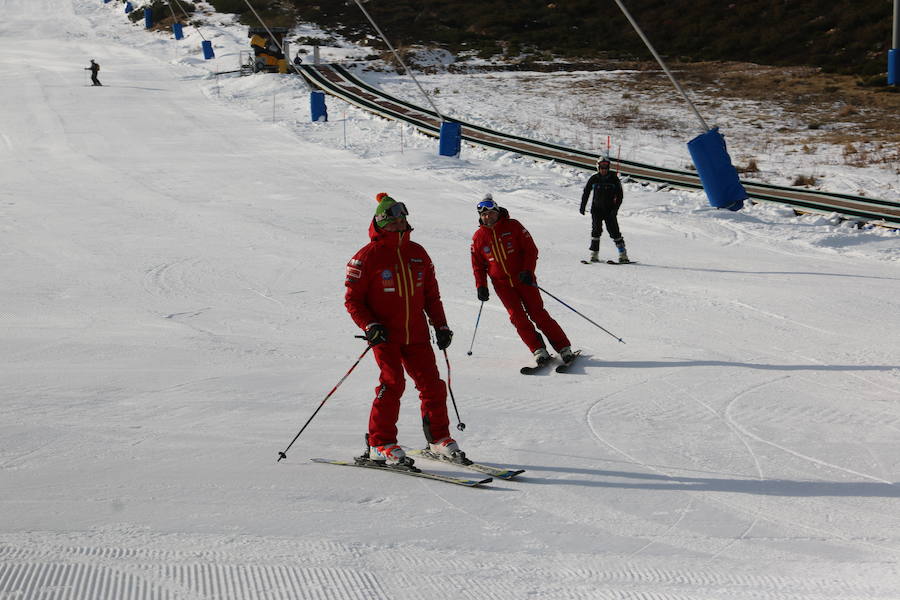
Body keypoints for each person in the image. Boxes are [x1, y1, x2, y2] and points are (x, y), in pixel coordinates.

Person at [344, 192, 463, 466]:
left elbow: (431, 296)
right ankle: (380, 443)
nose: (399, 224)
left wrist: (441, 326)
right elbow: (353, 300)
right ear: (380, 224)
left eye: (402, 219)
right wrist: (370, 325)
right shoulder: (368, 256)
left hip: (417, 334)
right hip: (385, 336)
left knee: (433, 385)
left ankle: (439, 439)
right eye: (392, 220)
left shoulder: (417, 253)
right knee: (393, 382)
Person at [470, 194, 575, 366]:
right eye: (483, 214)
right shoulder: (478, 237)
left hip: (523, 280)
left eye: (490, 213)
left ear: (497, 212)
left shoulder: (513, 226)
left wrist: (528, 270)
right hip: (502, 285)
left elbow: (531, 250)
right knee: (518, 318)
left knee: (538, 314)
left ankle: (564, 348)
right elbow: (477, 265)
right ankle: (538, 349)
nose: (487, 217)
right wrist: (481, 286)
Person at [580, 156, 629, 263]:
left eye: (606, 168)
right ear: (598, 167)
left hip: (609, 210)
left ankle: (623, 254)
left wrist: (615, 210)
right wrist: (582, 206)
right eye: (602, 168)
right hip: (596, 210)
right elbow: (586, 192)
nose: (604, 170)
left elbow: (620, 196)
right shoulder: (594, 178)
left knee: (614, 232)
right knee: (596, 230)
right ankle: (594, 254)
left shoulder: (614, 179)